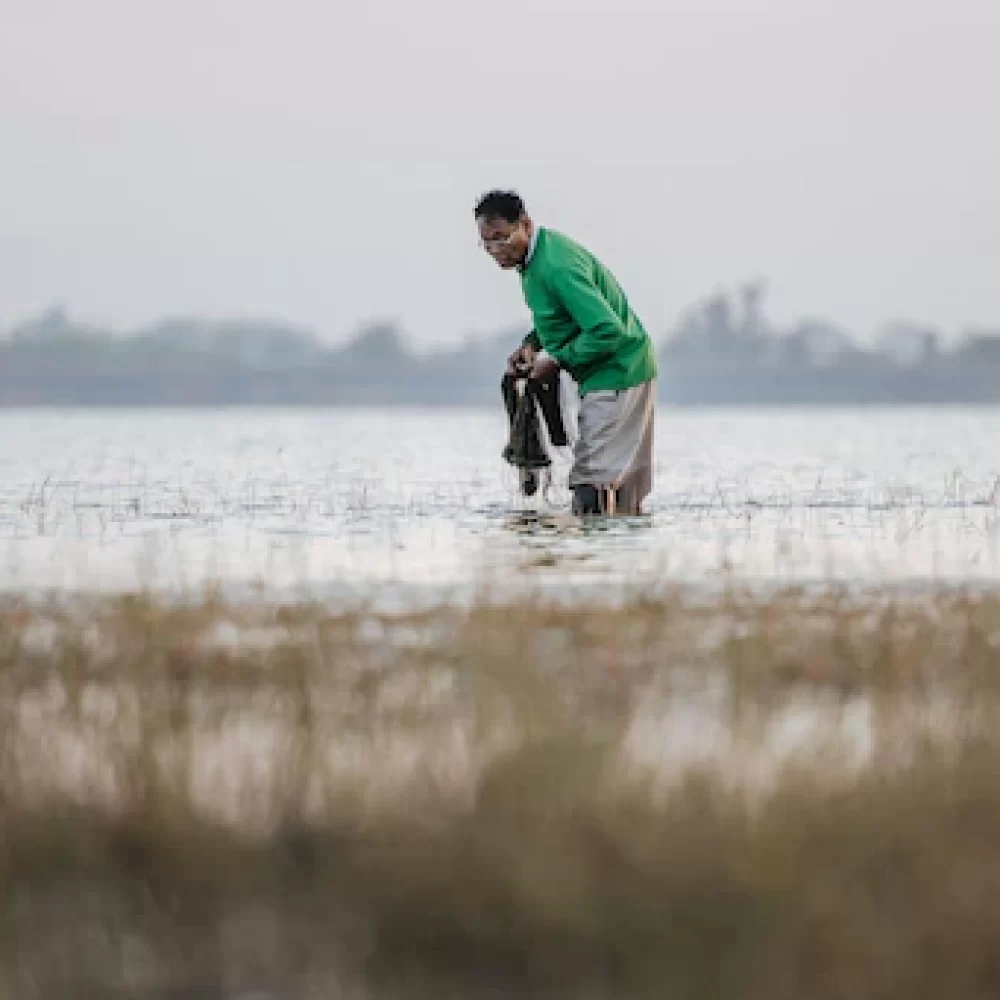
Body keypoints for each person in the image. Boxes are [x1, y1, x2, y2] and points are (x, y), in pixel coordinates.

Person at [475, 189, 657, 515]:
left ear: (525, 226)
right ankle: (622, 559)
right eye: (486, 242)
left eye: (501, 238)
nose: (494, 250)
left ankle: (592, 560)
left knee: (593, 482)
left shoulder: (556, 266)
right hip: (610, 371)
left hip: (618, 371)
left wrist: (558, 360)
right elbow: (559, 316)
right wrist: (532, 344)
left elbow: (608, 330)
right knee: (620, 487)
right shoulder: (531, 262)